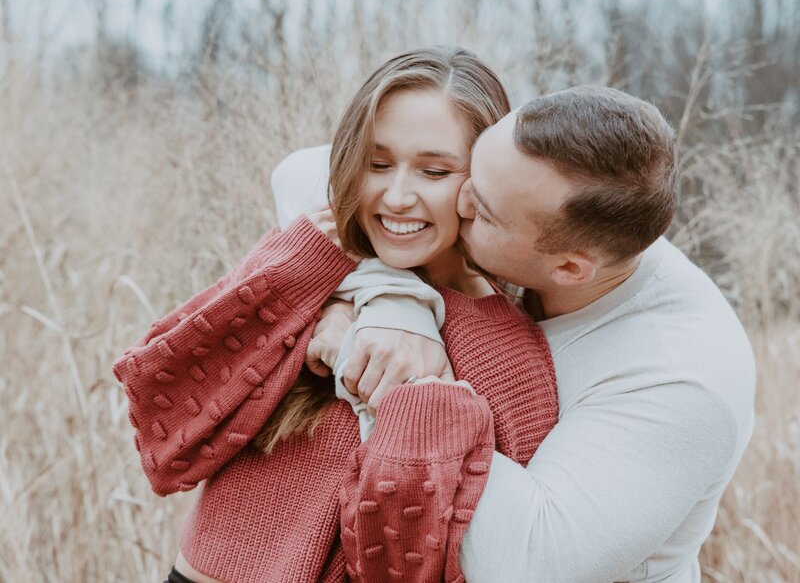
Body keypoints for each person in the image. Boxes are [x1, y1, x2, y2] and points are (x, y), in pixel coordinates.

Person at [112, 46, 559, 583]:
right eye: (377, 163)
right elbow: (166, 435)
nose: (396, 196)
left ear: (479, 183)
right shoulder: (311, 254)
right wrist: (318, 280)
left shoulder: (507, 352)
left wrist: (405, 392)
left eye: (434, 171)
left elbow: (430, 564)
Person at [279, 86, 756, 581]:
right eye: (464, 170)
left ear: (570, 268)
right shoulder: (523, 189)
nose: (455, 199)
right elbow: (298, 174)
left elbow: (522, 562)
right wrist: (392, 303)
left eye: (481, 210)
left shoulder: (682, 381)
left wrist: (383, 365)